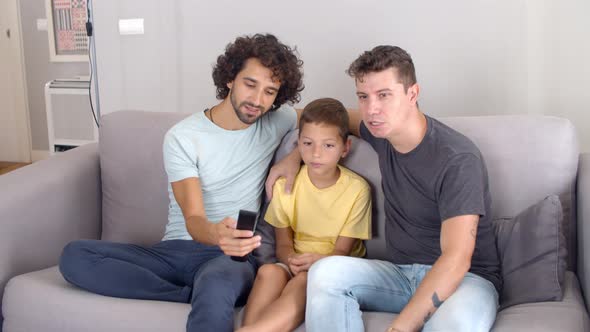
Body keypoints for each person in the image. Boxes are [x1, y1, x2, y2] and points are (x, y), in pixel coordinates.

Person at [58, 33, 304, 332]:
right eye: (250, 84)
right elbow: (194, 219)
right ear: (230, 79)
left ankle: (195, 289)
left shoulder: (279, 119)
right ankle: (182, 294)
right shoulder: (183, 137)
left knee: (214, 284)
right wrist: (215, 233)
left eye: (270, 91)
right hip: (174, 250)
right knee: (75, 256)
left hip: (230, 258)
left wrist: (293, 156)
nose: (257, 100)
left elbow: (334, 117)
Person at [266, 46, 502, 332]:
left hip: (466, 280)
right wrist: (294, 156)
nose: (372, 109)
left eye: (384, 96)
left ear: (412, 94)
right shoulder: (381, 132)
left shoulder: (456, 158)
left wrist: (399, 328)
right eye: (363, 97)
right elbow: (322, 119)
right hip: (399, 276)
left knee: (455, 325)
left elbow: (456, 259)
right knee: (325, 272)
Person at [238, 98, 372, 332]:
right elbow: (283, 245)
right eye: (308, 143)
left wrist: (314, 264)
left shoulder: (357, 190)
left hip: (334, 264)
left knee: (304, 280)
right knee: (268, 271)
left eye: (328, 146)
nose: (316, 153)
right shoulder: (286, 185)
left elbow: (343, 251)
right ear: (298, 144)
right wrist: (292, 260)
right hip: (295, 260)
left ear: (345, 148)